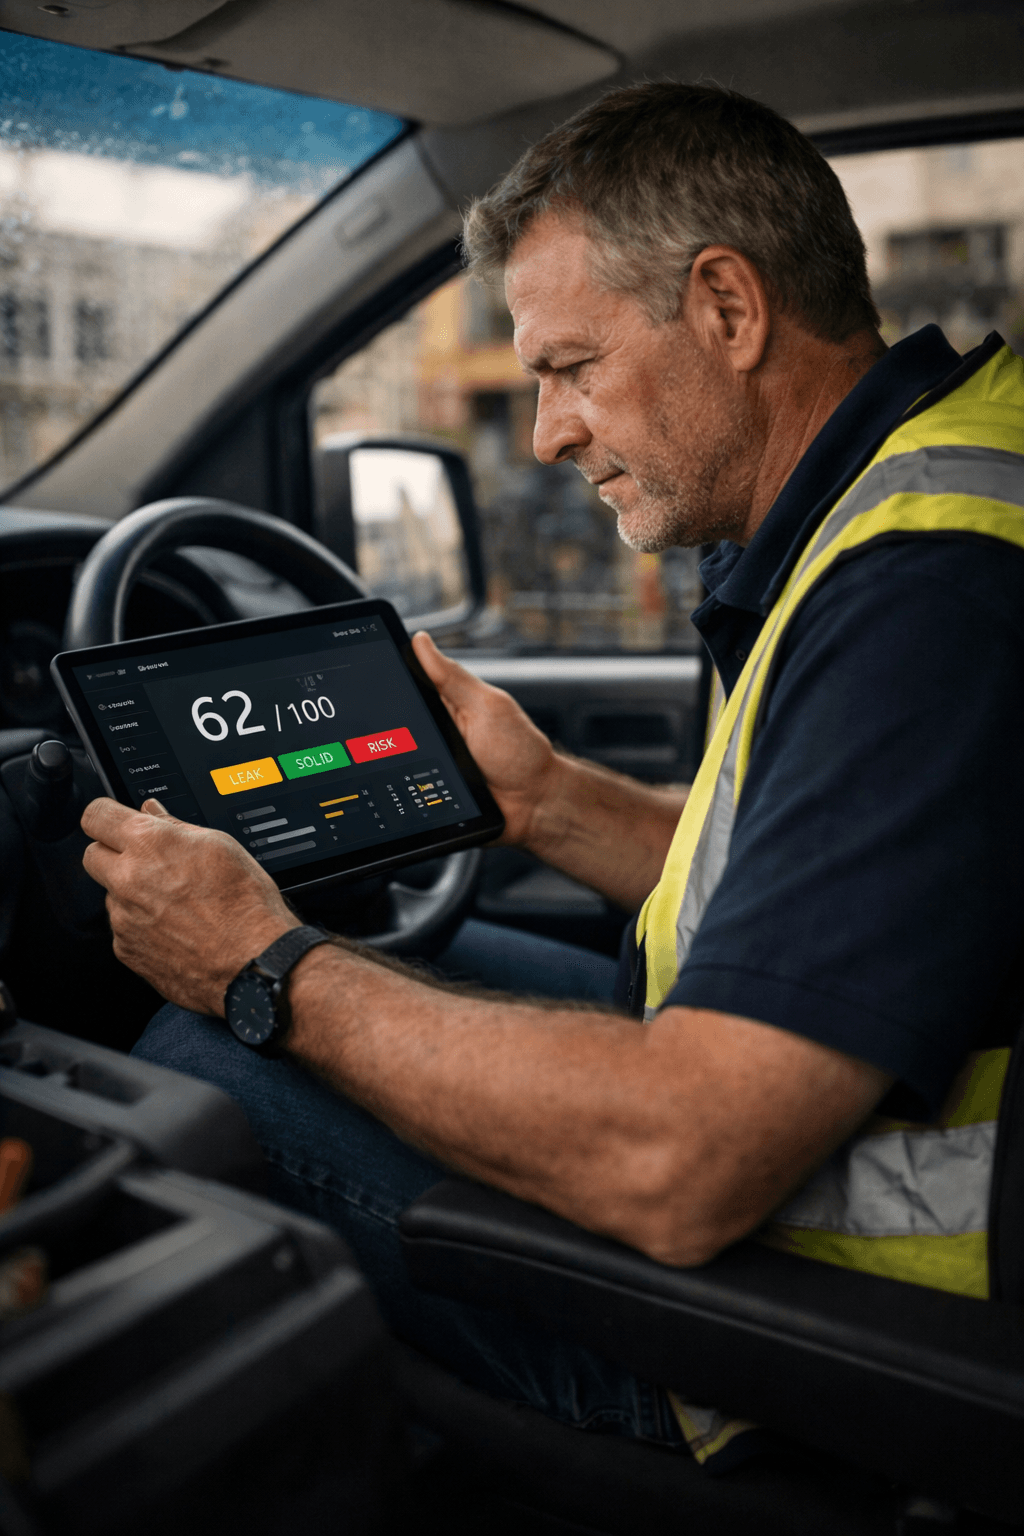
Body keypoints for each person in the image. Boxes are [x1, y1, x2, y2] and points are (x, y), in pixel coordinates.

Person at [82, 83, 1024, 1466]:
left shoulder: (928, 595)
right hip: (819, 1186)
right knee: (439, 952)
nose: (547, 435)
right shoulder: (924, 485)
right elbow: (843, 898)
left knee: (194, 1065)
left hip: (817, 1363)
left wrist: (259, 962)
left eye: (570, 367)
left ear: (728, 308)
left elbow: (682, 1159)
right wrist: (546, 802)